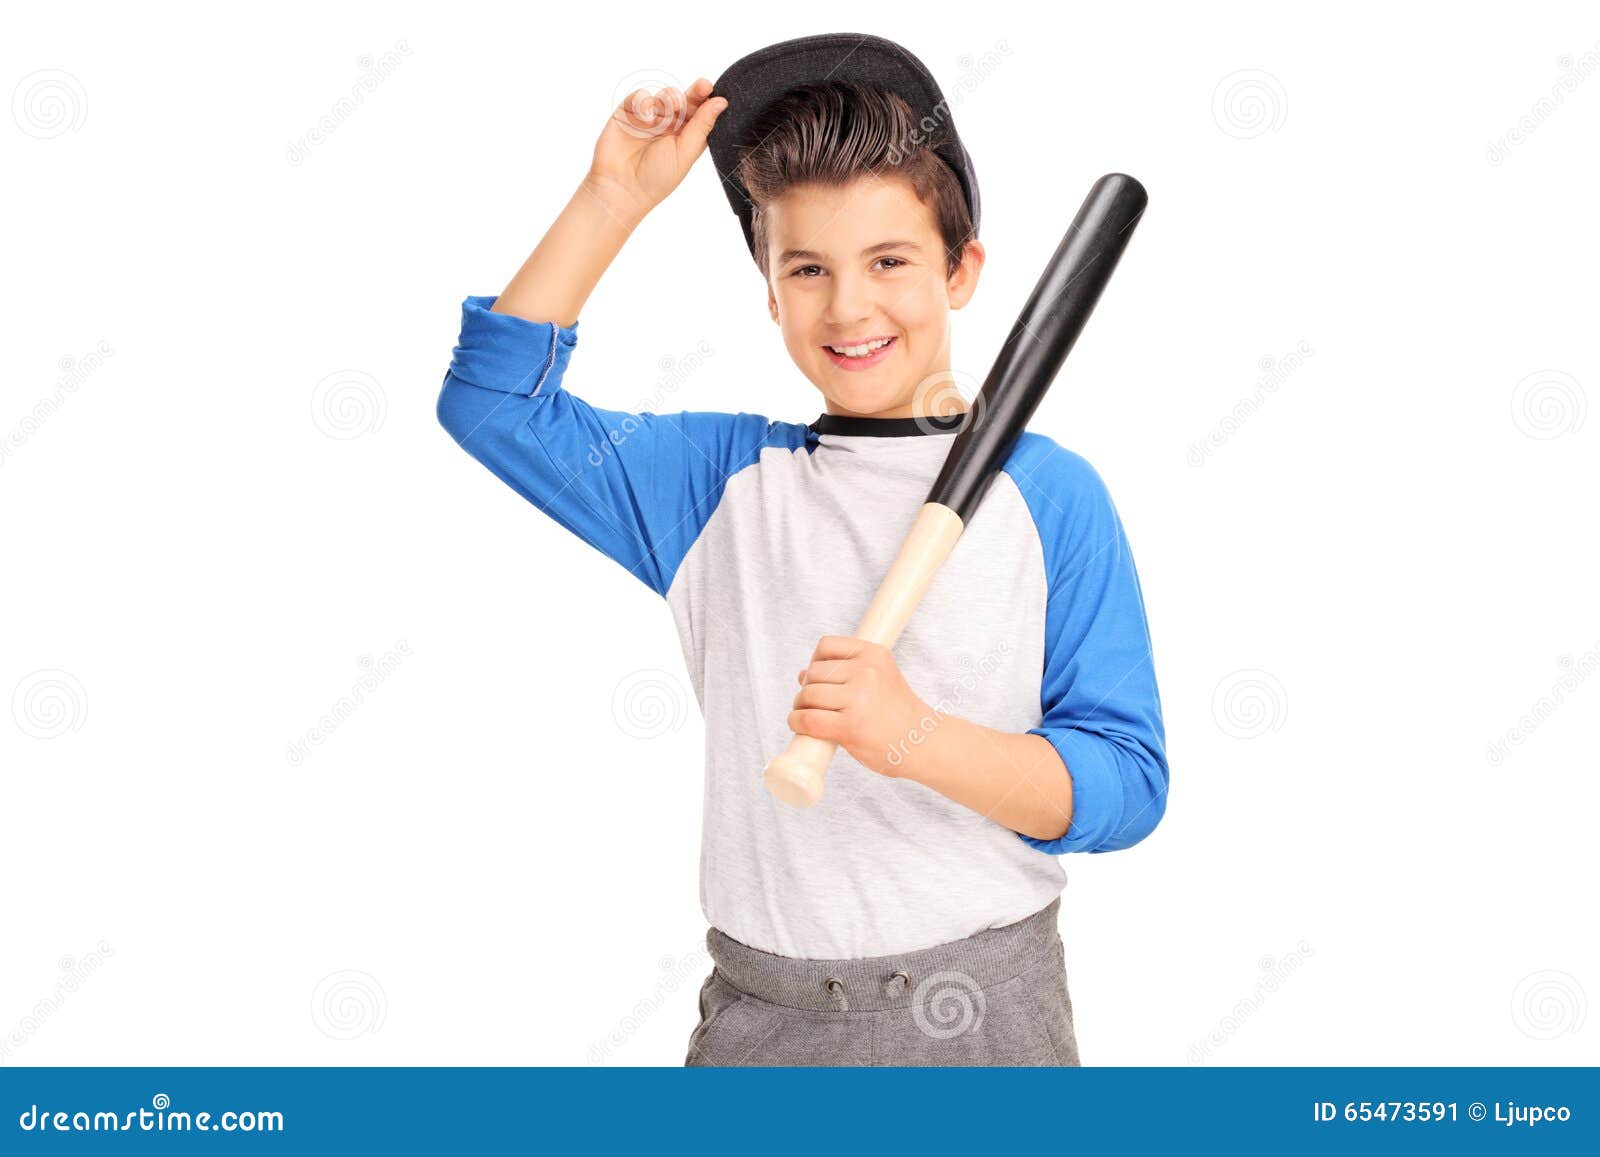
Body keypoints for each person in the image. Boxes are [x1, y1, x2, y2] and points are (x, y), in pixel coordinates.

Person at [435, 34, 1168, 1067]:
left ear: (961, 271)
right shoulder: (713, 485)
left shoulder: (1049, 496)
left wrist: (910, 734)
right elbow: (492, 403)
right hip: (765, 1023)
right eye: (807, 268)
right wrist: (613, 198)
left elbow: (1126, 785)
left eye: (890, 261)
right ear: (769, 291)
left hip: (986, 1019)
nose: (850, 306)